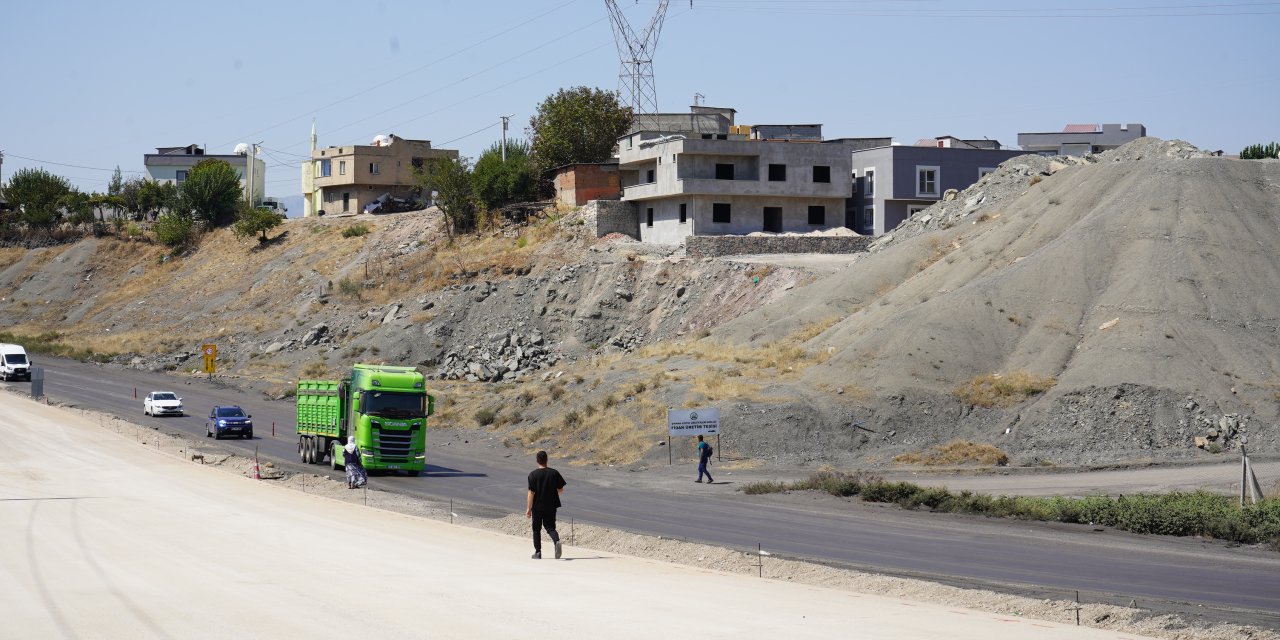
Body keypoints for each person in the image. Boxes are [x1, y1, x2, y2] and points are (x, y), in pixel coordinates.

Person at [526, 450, 566, 560]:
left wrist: (528, 508)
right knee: (550, 527)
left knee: (536, 529)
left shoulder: (533, 475)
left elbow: (531, 493)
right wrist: (552, 494)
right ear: (547, 460)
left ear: (537, 461)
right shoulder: (554, 473)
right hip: (551, 505)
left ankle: (538, 552)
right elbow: (561, 489)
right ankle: (556, 541)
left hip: (537, 506)